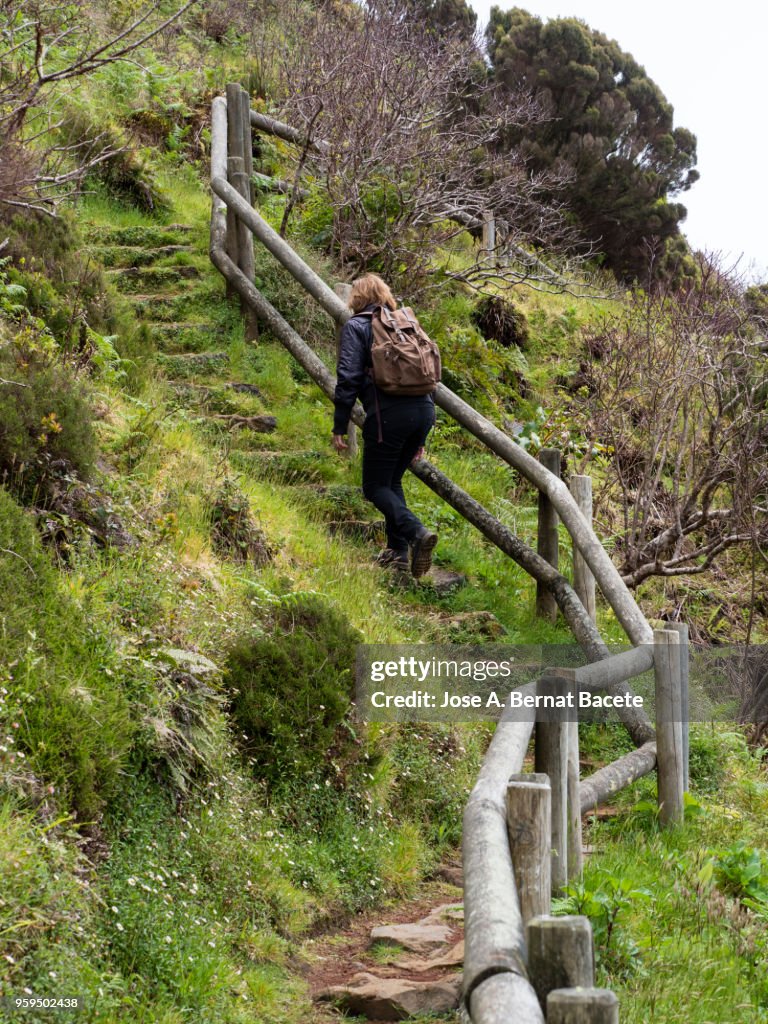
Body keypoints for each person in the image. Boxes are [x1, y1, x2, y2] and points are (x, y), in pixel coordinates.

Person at [332, 273, 438, 577]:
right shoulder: (405, 324)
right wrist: (421, 436)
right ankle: (398, 553)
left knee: (374, 486)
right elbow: (429, 375)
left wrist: (340, 424)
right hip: (423, 413)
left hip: (388, 415)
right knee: (391, 482)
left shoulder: (357, 326)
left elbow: (349, 378)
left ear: (357, 298)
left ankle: (417, 533)